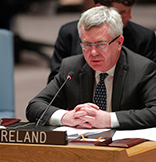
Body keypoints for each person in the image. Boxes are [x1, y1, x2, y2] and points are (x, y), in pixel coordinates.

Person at [26, 6, 156, 130]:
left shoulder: (142, 69)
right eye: (87, 44)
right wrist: (66, 117)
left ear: (119, 42)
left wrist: (109, 119)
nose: (93, 52)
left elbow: (154, 111)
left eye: (101, 44)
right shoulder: (71, 68)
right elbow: (34, 106)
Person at [47, 0, 156, 83]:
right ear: (100, 8)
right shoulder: (69, 33)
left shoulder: (144, 37)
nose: (129, 16)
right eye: (121, 12)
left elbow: (150, 84)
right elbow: (56, 81)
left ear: (119, 42)